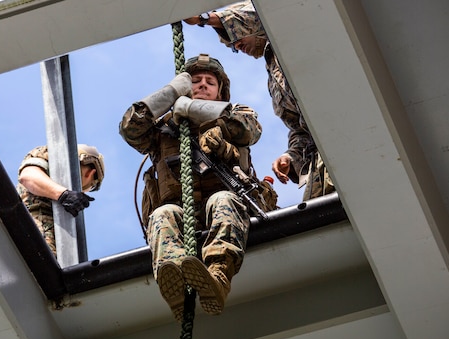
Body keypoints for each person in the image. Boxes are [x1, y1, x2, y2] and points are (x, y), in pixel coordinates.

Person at [119, 53, 276, 322]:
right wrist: (169, 95)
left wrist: (205, 122)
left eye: (210, 81)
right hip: (181, 214)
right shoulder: (164, 128)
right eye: (195, 81)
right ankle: (176, 282)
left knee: (223, 199)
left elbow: (249, 130)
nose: (202, 85)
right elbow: (130, 129)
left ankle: (217, 278)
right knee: (161, 215)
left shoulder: (235, 115)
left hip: (229, 210)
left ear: (220, 90)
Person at [185, 2, 335, 200]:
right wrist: (291, 157)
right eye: (232, 45)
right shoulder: (274, 77)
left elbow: (262, 14)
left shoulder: (291, 38)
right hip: (322, 163)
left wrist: (206, 19)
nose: (236, 45)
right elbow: (301, 130)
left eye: (235, 36)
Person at [17, 144, 105, 256]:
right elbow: (28, 176)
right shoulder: (52, 154)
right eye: (90, 186)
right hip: (32, 229)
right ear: (90, 174)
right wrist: (63, 195)